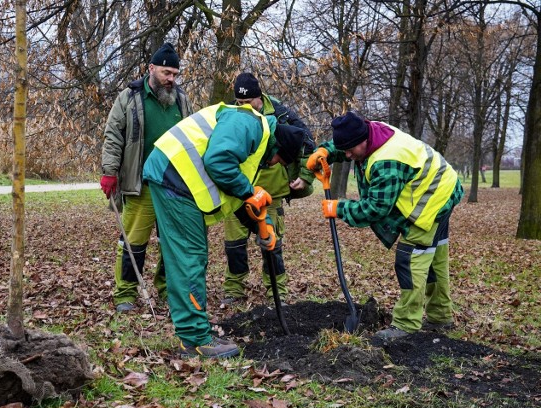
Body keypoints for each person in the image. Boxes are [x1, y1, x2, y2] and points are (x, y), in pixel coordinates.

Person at [143, 103, 305, 358]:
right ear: (278, 149)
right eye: (279, 161)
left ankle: (193, 334)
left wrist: (263, 227)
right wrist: (250, 192)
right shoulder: (250, 124)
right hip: (173, 177)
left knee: (191, 257)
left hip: (175, 179)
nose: (274, 164)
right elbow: (218, 162)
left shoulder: (253, 142)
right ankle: (195, 341)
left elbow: (239, 198)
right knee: (189, 258)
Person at [306, 111, 464, 341]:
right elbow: (347, 144)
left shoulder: (386, 161)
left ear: (363, 140)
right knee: (434, 258)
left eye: (350, 150)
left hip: (432, 198)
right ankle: (440, 317)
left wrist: (338, 209)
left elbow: (375, 208)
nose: (348, 156)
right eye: (344, 151)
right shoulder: (372, 130)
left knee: (410, 260)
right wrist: (326, 151)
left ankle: (406, 324)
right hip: (445, 185)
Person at [100, 42, 194, 313]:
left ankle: (167, 290)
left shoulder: (182, 99)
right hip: (140, 185)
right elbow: (113, 136)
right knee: (132, 243)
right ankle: (126, 295)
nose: (171, 79)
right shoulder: (129, 97)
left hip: (174, 186)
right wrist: (109, 172)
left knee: (172, 243)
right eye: (166, 73)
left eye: (175, 74)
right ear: (151, 68)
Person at [221, 72, 316, 305]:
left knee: (271, 244)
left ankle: (277, 291)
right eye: (239, 103)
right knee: (234, 245)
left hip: (272, 193)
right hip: (238, 190)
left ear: (259, 98)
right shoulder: (229, 114)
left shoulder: (282, 113)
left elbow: (307, 142)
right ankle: (234, 289)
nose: (243, 107)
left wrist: (305, 177)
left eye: (247, 102)